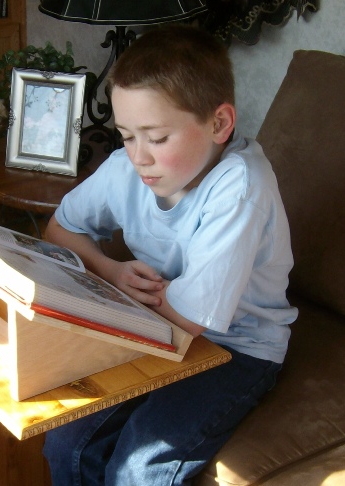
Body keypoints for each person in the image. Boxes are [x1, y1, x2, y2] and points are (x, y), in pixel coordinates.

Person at [43, 24, 298, 485]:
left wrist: (113, 308)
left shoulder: (240, 188)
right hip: (158, 326)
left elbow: (190, 319)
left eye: (157, 138)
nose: (139, 157)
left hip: (236, 347)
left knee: (138, 470)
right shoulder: (128, 168)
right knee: (65, 439)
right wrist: (110, 269)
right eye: (126, 135)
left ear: (219, 124)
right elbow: (60, 227)